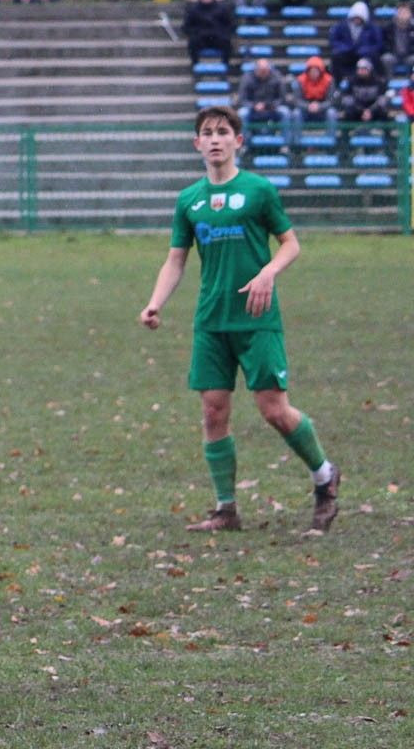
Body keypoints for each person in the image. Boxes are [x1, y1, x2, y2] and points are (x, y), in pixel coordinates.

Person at [139, 104, 341, 534]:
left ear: (238, 141)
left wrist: (268, 271)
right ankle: (225, 509)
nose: (215, 139)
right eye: (207, 133)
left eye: (223, 131)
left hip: (256, 318)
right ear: (196, 144)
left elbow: (290, 244)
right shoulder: (189, 200)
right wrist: (156, 302)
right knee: (214, 412)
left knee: (273, 410)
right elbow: (176, 260)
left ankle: (325, 475)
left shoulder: (258, 190)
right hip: (212, 321)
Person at [182, 0, 234, 65]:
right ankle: (195, 65)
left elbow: (230, 25)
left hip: (217, 36)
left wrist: (223, 32)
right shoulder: (193, 10)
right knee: (192, 43)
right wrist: (195, 33)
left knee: (227, 43)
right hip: (200, 37)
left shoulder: (222, 9)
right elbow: (186, 27)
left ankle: (225, 66)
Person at [236, 58, 293, 144]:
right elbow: (242, 99)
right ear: (256, 70)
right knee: (242, 113)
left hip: (272, 108)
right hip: (253, 109)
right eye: (261, 71)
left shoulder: (277, 77)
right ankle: (245, 145)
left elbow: (282, 98)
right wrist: (253, 106)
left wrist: (272, 105)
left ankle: (286, 145)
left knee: (285, 112)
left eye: (265, 71)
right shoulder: (247, 78)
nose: (264, 73)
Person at [329, 1, 384, 85]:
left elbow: (378, 44)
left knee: (375, 57)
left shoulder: (372, 28)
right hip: (346, 54)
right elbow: (334, 41)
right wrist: (345, 48)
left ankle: (377, 83)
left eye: (359, 18)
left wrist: (366, 50)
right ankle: (337, 83)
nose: (357, 20)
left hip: (365, 55)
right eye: (355, 17)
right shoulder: (341, 26)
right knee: (336, 56)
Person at [290, 54, 337, 140]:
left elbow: (331, 101)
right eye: (311, 71)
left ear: (321, 71)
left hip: (323, 110)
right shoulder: (300, 80)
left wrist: (320, 106)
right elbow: (297, 100)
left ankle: (331, 142)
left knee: (332, 113)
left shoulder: (329, 80)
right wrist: (308, 106)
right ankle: (297, 142)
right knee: (296, 113)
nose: (314, 73)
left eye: (316, 71)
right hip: (305, 110)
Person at [338, 56, 390, 123]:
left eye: (363, 69)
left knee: (383, 104)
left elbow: (381, 99)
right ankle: (346, 132)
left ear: (370, 69)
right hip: (357, 111)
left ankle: (386, 132)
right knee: (348, 105)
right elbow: (347, 98)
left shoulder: (379, 81)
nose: (361, 71)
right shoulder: (351, 81)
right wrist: (362, 111)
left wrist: (370, 111)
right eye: (359, 69)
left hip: (374, 111)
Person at [381, 1, 414, 77]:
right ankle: (389, 80)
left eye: (405, 12)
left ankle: (411, 81)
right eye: (400, 12)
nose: (403, 14)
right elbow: (384, 43)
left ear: (410, 14)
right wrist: (388, 50)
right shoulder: (388, 28)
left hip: (409, 55)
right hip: (393, 55)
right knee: (386, 58)